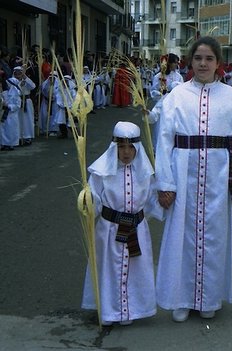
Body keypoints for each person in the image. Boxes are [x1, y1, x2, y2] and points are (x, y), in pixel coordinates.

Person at [155, 36, 232, 322]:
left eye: (209, 58)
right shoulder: (176, 95)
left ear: (218, 63)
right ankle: (181, 298)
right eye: (198, 58)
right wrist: (165, 182)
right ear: (190, 61)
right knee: (181, 237)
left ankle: (209, 298)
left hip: (219, 176)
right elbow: (163, 140)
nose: (203, 63)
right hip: (183, 173)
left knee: (214, 236)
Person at [81, 121, 163, 326]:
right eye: (121, 147)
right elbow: (94, 202)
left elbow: (153, 202)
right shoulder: (101, 173)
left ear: (137, 148)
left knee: (135, 269)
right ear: (114, 147)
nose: (126, 152)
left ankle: (131, 311)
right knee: (108, 269)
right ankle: (109, 311)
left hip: (136, 230)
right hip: (109, 230)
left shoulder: (146, 173)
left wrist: (165, 199)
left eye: (130, 147)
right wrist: (87, 203)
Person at [1, 70, 22, 151]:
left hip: (12, 114)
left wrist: (8, 106)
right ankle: (3, 144)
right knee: (3, 129)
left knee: (11, 130)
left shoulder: (17, 95)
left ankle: (11, 144)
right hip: (4, 114)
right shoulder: (4, 92)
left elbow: (17, 106)